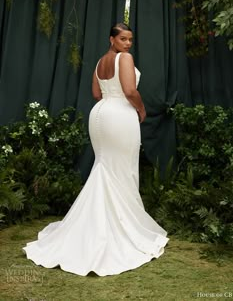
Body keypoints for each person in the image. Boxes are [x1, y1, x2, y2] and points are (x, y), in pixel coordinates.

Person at [23, 23, 169, 276]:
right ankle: (119, 229)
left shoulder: (101, 61)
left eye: (130, 40)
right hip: (119, 115)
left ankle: (95, 225)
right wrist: (141, 109)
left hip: (100, 114)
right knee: (122, 170)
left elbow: (95, 93)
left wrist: (114, 102)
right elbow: (130, 90)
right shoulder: (125, 58)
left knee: (105, 167)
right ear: (112, 39)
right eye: (123, 39)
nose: (128, 44)